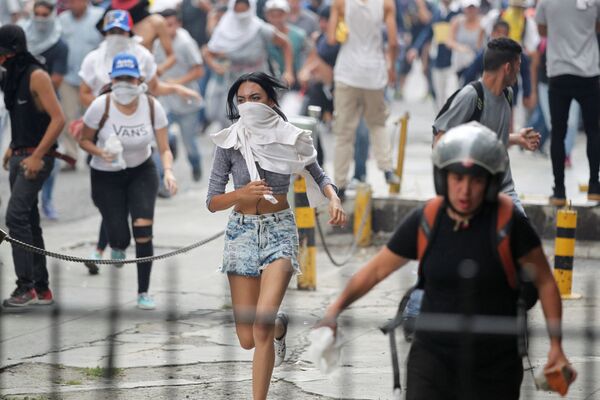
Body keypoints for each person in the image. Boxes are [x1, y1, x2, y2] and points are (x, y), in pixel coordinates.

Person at [319, 122, 575, 400]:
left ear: (490, 182)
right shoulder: (427, 219)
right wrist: (334, 310)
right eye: (457, 178)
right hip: (432, 359)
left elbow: (546, 282)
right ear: (443, 178)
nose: (465, 190)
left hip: (496, 362)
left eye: (476, 180)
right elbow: (375, 271)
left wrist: (556, 346)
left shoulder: (509, 223)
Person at [206, 72, 345, 400]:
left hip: (279, 231)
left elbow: (318, 173)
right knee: (247, 337)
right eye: (241, 100)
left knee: (260, 326)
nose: (247, 105)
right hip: (240, 233)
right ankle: (281, 326)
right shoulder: (230, 141)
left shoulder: (291, 137)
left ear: (271, 101)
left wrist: (334, 198)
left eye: (255, 98)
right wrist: (240, 194)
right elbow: (212, 201)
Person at [79, 53, 177, 310]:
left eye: (129, 78)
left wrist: (168, 171)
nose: (124, 83)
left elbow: (164, 148)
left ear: (140, 79)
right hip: (105, 174)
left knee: (143, 230)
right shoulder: (101, 105)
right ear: (111, 79)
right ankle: (117, 244)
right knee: (119, 237)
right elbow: (84, 140)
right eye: (119, 78)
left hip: (141, 171)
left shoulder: (152, 106)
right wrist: (101, 152)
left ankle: (143, 291)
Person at [433, 37, 540, 215]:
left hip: (504, 188)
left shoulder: (508, 94)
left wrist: (516, 139)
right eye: (518, 66)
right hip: (474, 193)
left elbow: (492, 141)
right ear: (507, 67)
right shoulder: (471, 96)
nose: (519, 72)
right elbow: (440, 140)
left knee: (522, 236)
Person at [0, 24, 65, 307]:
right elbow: (22, 120)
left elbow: (58, 119)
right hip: (18, 154)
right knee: (29, 220)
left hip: (39, 158)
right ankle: (42, 287)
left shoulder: (36, 75)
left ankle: (24, 286)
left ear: (13, 51)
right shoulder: (11, 77)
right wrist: (11, 148)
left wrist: (38, 155)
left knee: (14, 217)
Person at [327, 0, 399, 199]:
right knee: (377, 123)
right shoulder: (386, 4)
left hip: (347, 73)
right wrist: (391, 68)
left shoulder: (340, 3)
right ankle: (387, 169)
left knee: (343, 132)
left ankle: (340, 184)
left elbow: (332, 38)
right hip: (374, 73)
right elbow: (393, 42)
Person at [536, 0, 600, 205]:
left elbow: (542, 30)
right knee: (594, 131)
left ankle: (560, 191)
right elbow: (597, 27)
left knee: (558, 132)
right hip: (589, 72)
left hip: (559, 71)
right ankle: (594, 187)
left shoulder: (546, 2)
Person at [202, 0, 294, 128]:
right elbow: (209, 51)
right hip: (233, 80)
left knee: (259, 119)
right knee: (232, 119)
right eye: (238, 12)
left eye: (244, 11)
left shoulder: (260, 29)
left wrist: (288, 71)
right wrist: (214, 65)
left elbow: (286, 43)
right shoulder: (224, 29)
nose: (241, 16)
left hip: (258, 79)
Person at [153, 8, 204, 183]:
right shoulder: (157, 42)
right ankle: (161, 178)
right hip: (166, 100)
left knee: (190, 144)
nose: (167, 29)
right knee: (160, 138)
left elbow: (199, 70)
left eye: (171, 25)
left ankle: (195, 164)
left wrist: (178, 82)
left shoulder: (185, 43)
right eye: (164, 25)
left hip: (187, 101)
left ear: (178, 24)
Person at [58, 0, 105, 170]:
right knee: (68, 117)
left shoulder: (99, 16)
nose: (73, 4)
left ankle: (96, 152)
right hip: (68, 77)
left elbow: (105, 43)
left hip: (94, 78)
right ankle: (71, 156)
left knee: (95, 116)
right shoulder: (62, 19)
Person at [264, 0, 310, 84]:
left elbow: (311, 54)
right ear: (266, 16)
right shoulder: (262, 35)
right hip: (268, 81)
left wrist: (305, 70)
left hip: (295, 82)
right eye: (272, 15)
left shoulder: (299, 35)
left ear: (287, 15)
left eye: (280, 15)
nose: (276, 19)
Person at [446, 0, 485, 85]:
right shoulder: (457, 21)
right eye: (468, 8)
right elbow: (449, 41)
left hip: (477, 63)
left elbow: (482, 43)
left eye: (473, 8)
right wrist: (461, 48)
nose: (471, 11)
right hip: (460, 63)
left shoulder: (483, 22)